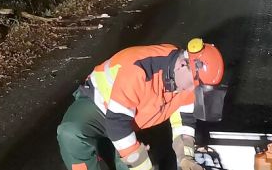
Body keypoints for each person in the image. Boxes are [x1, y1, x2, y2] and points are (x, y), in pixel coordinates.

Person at [57, 39, 226, 170]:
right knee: (71, 133)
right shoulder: (140, 70)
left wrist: (185, 157)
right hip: (100, 105)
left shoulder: (189, 81)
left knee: (138, 158)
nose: (192, 92)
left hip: (135, 120)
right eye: (194, 86)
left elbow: (184, 124)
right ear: (183, 65)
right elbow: (117, 124)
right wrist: (140, 162)